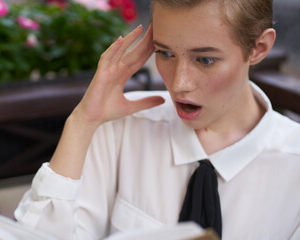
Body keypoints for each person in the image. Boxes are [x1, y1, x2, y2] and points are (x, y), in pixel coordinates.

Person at [15, 0, 300, 239]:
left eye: (205, 60)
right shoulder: (122, 127)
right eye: (165, 53)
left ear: (259, 48)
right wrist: (81, 123)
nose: (179, 83)